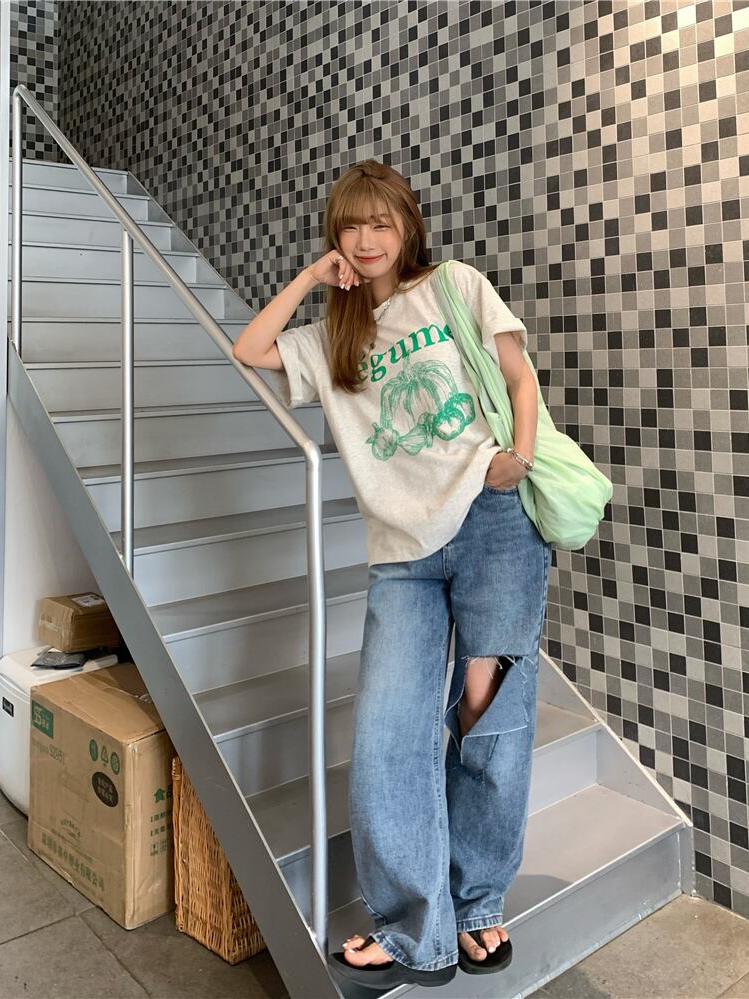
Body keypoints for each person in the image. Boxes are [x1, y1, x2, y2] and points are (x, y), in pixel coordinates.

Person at [233, 159, 552, 991]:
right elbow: (248, 348)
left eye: (381, 222)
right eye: (351, 224)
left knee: (488, 720)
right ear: (335, 234)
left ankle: (476, 904)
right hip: (402, 556)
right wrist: (313, 278)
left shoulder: (454, 286)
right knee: (386, 735)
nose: (367, 238)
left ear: (408, 225)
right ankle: (416, 931)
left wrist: (519, 456)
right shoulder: (333, 338)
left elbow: (517, 375)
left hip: (492, 526)